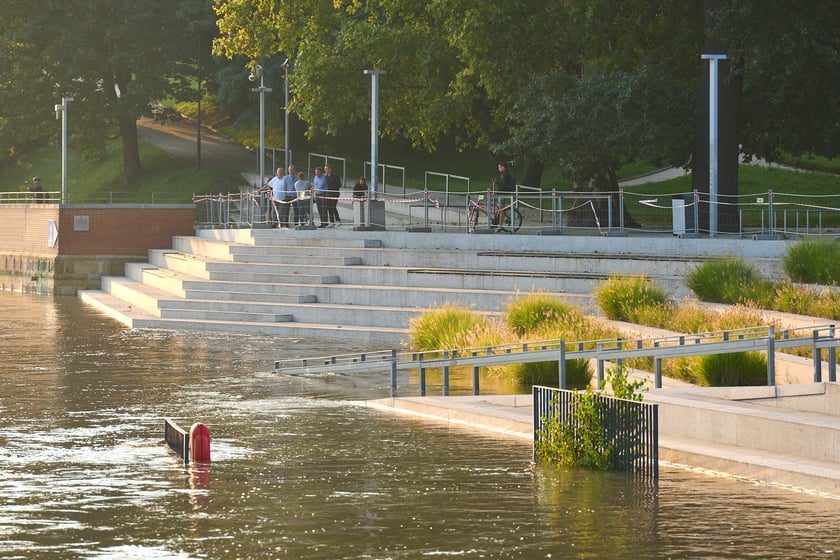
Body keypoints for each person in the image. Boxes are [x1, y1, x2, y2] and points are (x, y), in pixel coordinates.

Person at [492, 162, 515, 226]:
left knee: (501, 210)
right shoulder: (504, 174)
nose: (498, 168)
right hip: (502, 193)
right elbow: (502, 184)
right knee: (499, 209)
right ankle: (496, 222)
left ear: (503, 167)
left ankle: (500, 226)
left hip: (503, 194)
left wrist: (497, 193)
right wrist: (496, 182)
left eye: (499, 167)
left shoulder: (505, 174)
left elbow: (504, 186)